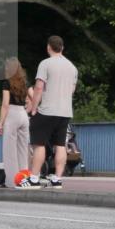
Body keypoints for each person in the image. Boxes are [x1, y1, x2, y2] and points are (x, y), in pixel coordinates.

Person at [28, 35, 79, 188]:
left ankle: (34, 179)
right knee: (60, 145)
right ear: (62, 48)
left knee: (39, 144)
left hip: (47, 110)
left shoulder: (45, 64)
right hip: (65, 112)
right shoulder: (72, 67)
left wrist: (34, 107)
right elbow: (72, 90)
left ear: (48, 47)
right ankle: (57, 179)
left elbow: (38, 87)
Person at [0, 58, 34, 189]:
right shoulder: (25, 81)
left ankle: (12, 182)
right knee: (23, 150)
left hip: (12, 115)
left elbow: (5, 104)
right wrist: (28, 110)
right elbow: (34, 98)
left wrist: (1, 124)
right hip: (23, 115)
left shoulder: (7, 82)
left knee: (9, 151)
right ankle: (24, 180)